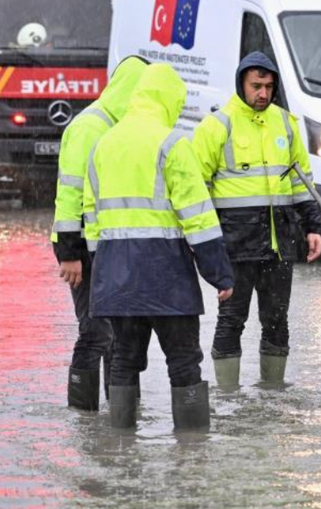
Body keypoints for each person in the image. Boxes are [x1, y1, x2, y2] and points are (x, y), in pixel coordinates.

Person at [83, 63, 234, 430]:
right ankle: (193, 451)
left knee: (123, 359)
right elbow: (198, 217)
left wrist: (102, 269)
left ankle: (120, 446)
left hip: (116, 277)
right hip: (167, 276)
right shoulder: (173, 144)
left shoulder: (103, 145)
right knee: (183, 361)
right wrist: (220, 275)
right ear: (169, 100)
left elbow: (92, 218)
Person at [191, 52, 321, 388]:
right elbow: (196, 189)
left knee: (277, 320)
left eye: (268, 86)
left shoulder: (287, 124)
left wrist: (313, 227)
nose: (262, 93)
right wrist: (203, 243)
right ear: (241, 85)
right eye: (256, 86)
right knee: (232, 320)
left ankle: (273, 393)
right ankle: (228, 399)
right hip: (233, 244)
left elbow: (301, 182)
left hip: (279, 242)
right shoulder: (218, 125)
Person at [50, 55, 149, 411]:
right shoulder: (90, 126)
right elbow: (69, 194)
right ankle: (83, 416)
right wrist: (70, 253)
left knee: (120, 336)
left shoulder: (124, 127)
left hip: (112, 248)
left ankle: (118, 420)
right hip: (84, 250)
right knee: (96, 332)